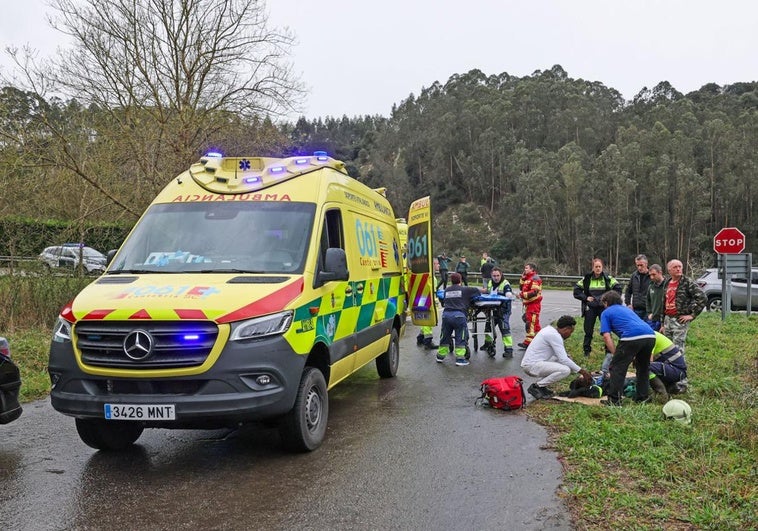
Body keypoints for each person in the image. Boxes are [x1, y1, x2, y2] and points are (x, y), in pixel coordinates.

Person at [598, 290, 656, 406]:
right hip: (650, 336)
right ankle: (642, 397)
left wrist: (615, 353)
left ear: (606, 302)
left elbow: (606, 335)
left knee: (616, 368)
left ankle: (614, 400)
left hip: (631, 337)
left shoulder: (606, 312)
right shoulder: (627, 310)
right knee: (643, 368)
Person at [521, 315, 592, 400]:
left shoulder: (550, 330)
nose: (570, 335)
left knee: (563, 361)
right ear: (566, 329)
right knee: (565, 370)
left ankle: (542, 386)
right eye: (571, 332)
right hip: (531, 366)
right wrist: (583, 372)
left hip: (532, 363)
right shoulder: (554, 336)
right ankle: (537, 386)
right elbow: (564, 359)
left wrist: (574, 366)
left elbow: (561, 357)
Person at [573, 258, 622, 356]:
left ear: (602, 267)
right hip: (590, 308)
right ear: (593, 268)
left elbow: (618, 289)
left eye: (600, 267)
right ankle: (586, 351)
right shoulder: (586, 279)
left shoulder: (608, 278)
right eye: (596, 267)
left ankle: (608, 351)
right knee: (588, 330)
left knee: (606, 329)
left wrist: (608, 299)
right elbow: (576, 291)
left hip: (603, 308)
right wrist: (586, 298)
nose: (598, 269)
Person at [436, 272, 486, 366]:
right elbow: (479, 291)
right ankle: (460, 359)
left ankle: (440, 356)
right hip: (458, 316)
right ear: (461, 280)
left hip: (446, 315)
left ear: (451, 281)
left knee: (445, 336)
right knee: (461, 336)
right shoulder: (465, 289)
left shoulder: (447, 290)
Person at [661, 259, 707, 353]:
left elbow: (702, 297)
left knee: (677, 348)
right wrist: (662, 323)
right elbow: (663, 303)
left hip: (679, 320)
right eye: (675, 267)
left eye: (680, 267)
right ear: (669, 270)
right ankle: (669, 367)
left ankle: (679, 367)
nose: (678, 269)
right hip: (667, 319)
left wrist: (692, 315)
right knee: (667, 347)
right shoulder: (667, 282)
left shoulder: (687, 282)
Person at [481, 267, 515, 357]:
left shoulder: (505, 284)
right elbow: (487, 292)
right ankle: (487, 344)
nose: (496, 278)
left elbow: (508, 295)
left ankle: (509, 350)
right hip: (492, 309)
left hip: (503, 310)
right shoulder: (490, 282)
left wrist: (509, 294)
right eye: (494, 276)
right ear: (491, 275)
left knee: (504, 329)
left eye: (497, 276)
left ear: (501, 275)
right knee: (488, 327)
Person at [647, 331, 688, 403]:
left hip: (677, 371)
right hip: (670, 369)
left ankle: (662, 395)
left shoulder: (649, 337)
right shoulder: (648, 334)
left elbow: (648, 361)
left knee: (645, 367)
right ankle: (672, 388)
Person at [517, 262, 543, 348]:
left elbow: (534, 292)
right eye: (525, 268)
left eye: (527, 268)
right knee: (535, 324)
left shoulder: (535, 278)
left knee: (530, 323)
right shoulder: (527, 278)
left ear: (532, 269)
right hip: (529, 304)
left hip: (534, 304)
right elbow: (521, 288)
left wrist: (521, 295)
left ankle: (528, 343)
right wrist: (522, 278)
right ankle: (541, 341)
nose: (525, 269)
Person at [624, 254, 650, 319]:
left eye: (641, 265)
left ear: (646, 264)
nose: (639, 268)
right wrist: (628, 304)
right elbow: (628, 290)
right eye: (637, 265)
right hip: (636, 309)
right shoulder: (634, 276)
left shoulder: (652, 275)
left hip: (649, 310)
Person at [645, 263, 666, 331]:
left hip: (665, 320)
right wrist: (649, 313)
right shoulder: (651, 286)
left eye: (654, 274)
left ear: (660, 273)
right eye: (650, 275)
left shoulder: (668, 285)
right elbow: (647, 300)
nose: (652, 277)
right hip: (653, 319)